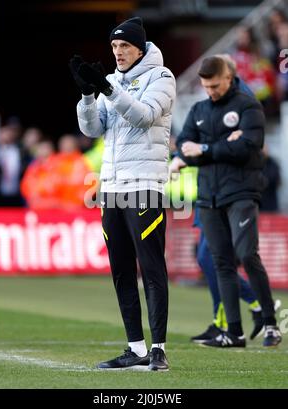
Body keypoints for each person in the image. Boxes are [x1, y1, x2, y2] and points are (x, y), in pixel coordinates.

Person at [70, 17, 176, 370]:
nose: (118, 52)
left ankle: (158, 349)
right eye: (114, 46)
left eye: (125, 46)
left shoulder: (161, 77)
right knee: (120, 271)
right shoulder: (112, 80)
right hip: (112, 188)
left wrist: (110, 90)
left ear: (140, 48)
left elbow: (144, 117)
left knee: (151, 266)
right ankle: (136, 348)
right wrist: (87, 94)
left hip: (144, 185)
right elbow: (92, 129)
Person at [173, 56, 281, 348]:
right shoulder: (198, 109)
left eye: (215, 85)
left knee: (247, 254)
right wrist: (202, 149)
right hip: (208, 195)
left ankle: (271, 322)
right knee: (221, 263)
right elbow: (183, 144)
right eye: (206, 86)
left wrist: (204, 149)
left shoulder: (247, 106)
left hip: (241, 193)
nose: (211, 91)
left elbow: (247, 148)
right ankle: (234, 333)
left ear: (229, 78)